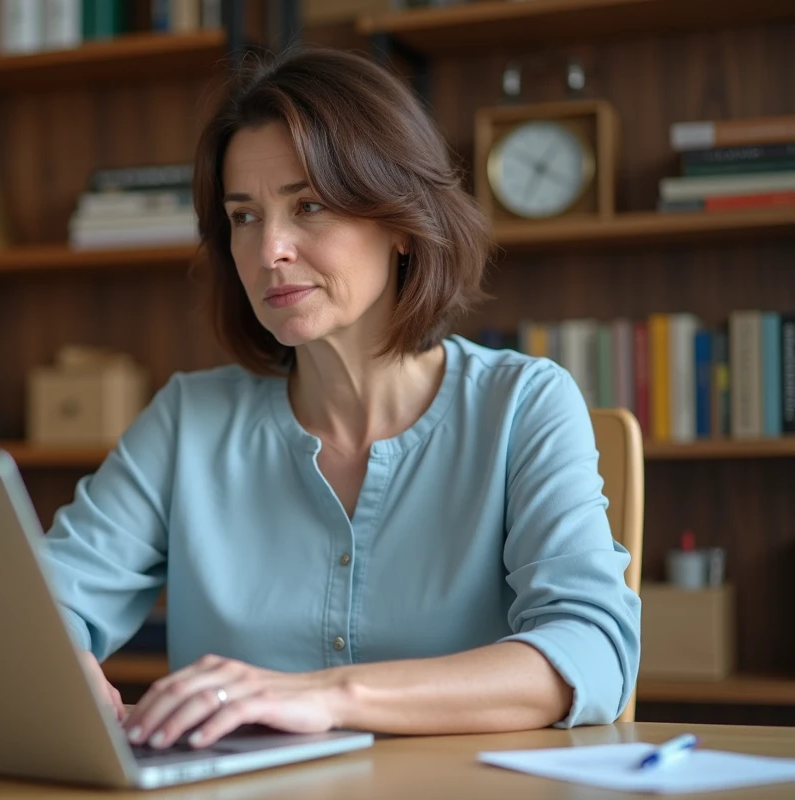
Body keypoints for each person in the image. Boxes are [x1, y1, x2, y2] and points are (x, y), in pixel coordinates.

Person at [37, 47, 640, 752]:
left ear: (400, 221)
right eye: (244, 216)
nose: (270, 251)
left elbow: (592, 655)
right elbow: (38, 608)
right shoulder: (186, 422)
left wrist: (326, 696)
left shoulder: (524, 405)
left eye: (309, 205)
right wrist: (60, 662)